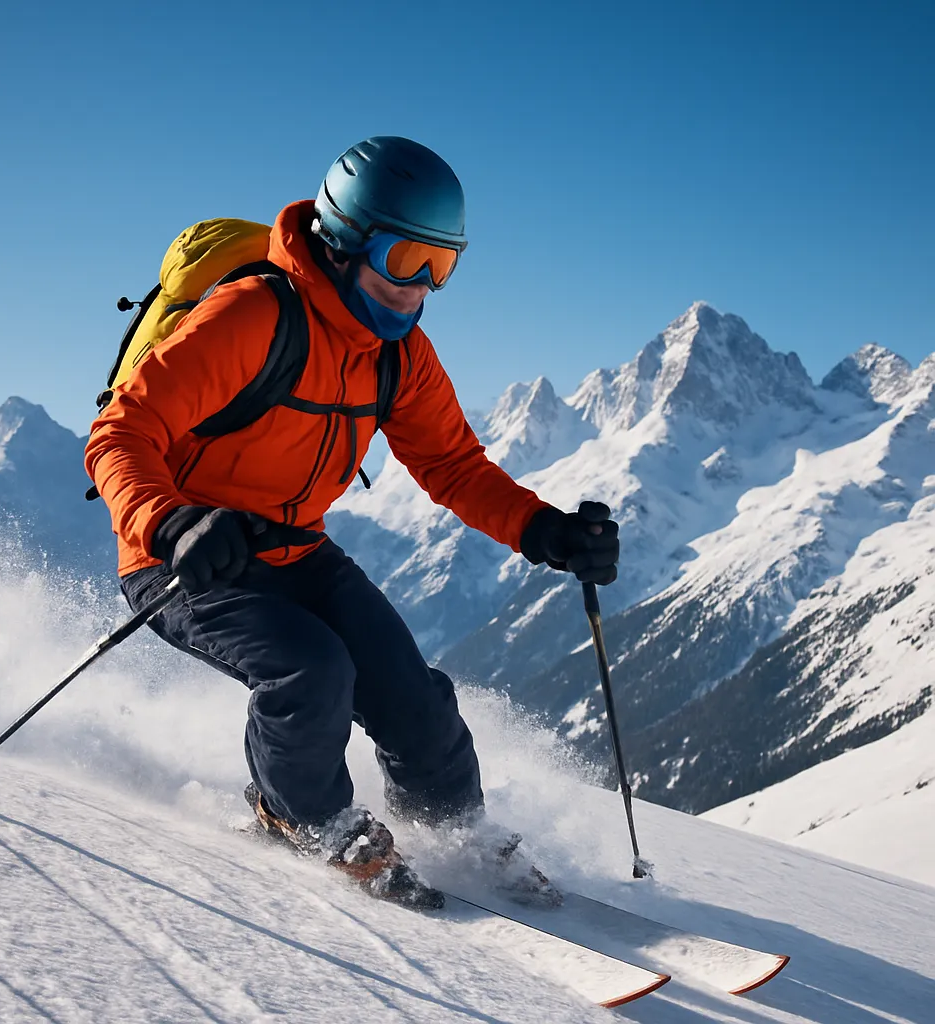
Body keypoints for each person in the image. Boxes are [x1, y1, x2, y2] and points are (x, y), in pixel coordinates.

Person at [84, 136, 619, 909]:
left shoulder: (398, 355)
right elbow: (120, 433)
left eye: (441, 266)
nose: (420, 288)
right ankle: (304, 817)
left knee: (414, 699)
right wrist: (169, 523)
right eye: (406, 260)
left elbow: (453, 466)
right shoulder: (252, 317)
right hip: (188, 558)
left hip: (298, 551)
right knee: (310, 670)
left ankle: (456, 830)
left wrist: (546, 532)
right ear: (342, 243)